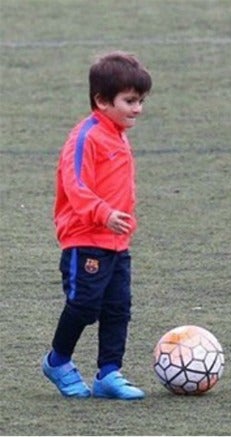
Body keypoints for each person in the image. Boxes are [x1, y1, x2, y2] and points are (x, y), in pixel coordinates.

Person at [42, 51, 152, 400]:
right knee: (84, 305)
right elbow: (76, 186)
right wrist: (104, 214)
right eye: (130, 101)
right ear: (102, 100)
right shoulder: (85, 137)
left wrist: (120, 221)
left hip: (117, 242)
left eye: (140, 101)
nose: (137, 109)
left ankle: (109, 373)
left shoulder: (118, 133)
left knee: (118, 307)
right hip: (85, 237)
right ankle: (58, 361)